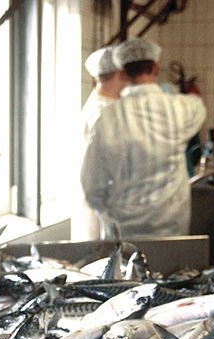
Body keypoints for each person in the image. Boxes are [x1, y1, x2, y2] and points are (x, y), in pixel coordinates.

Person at [80, 38, 206, 239]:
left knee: (126, 271)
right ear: (156, 68)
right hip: (171, 227)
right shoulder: (182, 108)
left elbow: (91, 184)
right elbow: (199, 107)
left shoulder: (107, 118)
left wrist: (107, 216)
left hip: (124, 230)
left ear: (122, 73)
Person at [71, 46, 128, 239]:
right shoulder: (102, 111)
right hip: (101, 202)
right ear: (121, 73)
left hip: (98, 200)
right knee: (102, 257)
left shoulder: (100, 104)